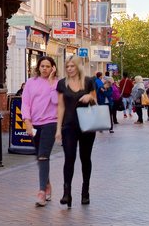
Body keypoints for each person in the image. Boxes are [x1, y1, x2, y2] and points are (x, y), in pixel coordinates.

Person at [55, 57, 97, 207]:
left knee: (85, 159)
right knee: (69, 158)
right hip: (69, 126)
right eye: (67, 66)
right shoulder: (62, 84)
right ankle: (67, 193)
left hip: (87, 126)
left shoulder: (88, 81)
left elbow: (96, 102)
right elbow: (60, 107)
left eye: (72, 66)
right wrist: (58, 129)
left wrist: (90, 97)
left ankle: (85, 191)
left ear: (79, 67)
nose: (69, 68)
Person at [23, 57, 59, 206]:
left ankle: (42, 192)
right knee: (40, 156)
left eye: (48, 66)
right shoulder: (31, 83)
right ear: (38, 67)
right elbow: (25, 103)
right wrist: (27, 122)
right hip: (34, 124)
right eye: (42, 66)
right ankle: (47, 185)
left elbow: (56, 101)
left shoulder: (57, 83)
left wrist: (51, 83)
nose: (45, 69)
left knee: (43, 156)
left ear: (53, 68)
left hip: (50, 123)